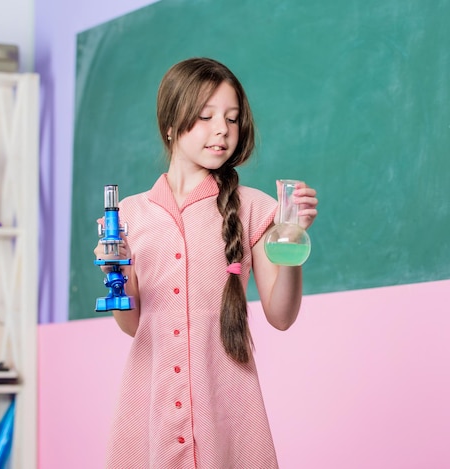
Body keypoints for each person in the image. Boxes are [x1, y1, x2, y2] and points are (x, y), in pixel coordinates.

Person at [94, 57, 318, 469]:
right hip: (151, 406)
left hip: (228, 412)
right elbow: (131, 325)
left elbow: (282, 315)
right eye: (205, 116)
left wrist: (292, 238)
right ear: (170, 124)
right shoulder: (128, 216)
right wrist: (118, 273)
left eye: (232, 119)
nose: (222, 131)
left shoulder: (255, 209)